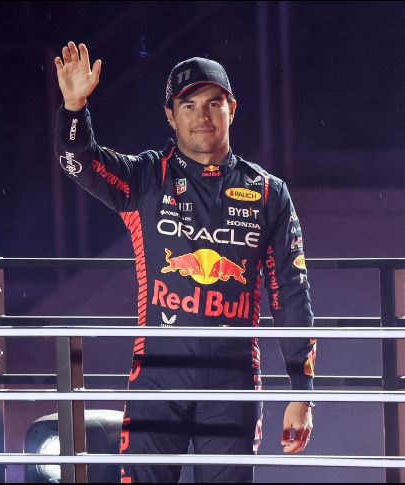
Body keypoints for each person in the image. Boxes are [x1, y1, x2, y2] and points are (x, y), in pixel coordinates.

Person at [53, 42, 316, 483]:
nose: (203, 116)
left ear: (232, 108)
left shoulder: (269, 192)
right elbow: (78, 163)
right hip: (156, 378)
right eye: (188, 104)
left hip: (234, 382)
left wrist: (303, 392)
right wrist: (74, 107)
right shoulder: (146, 177)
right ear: (171, 116)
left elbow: (291, 292)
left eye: (214, 103)